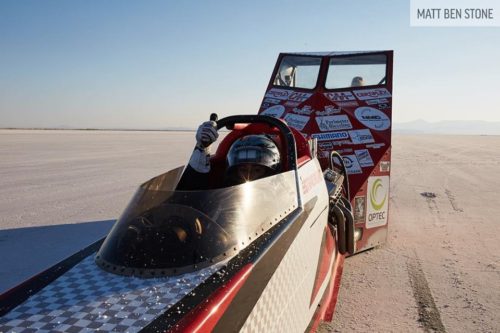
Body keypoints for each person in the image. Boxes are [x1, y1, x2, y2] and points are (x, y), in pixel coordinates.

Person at [176, 121, 281, 190]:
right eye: (243, 170)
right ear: (234, 172)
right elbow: (190, 192)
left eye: (257, 170)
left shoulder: (280, 195)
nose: (249, 176)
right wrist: (202, 147)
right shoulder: (225, 195)